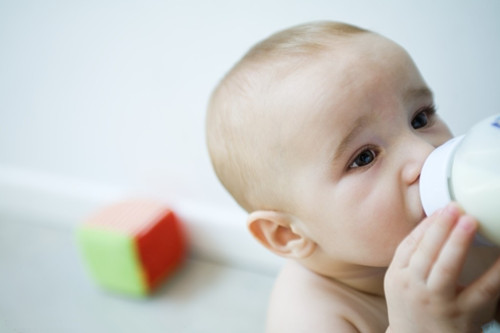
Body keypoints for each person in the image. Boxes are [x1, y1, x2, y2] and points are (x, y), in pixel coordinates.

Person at [205, 21, 500, 332]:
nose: (424, 153)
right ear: (288, 234)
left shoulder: (464, 226)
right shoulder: (309, 316)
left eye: (420, 117)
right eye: (364, 157)